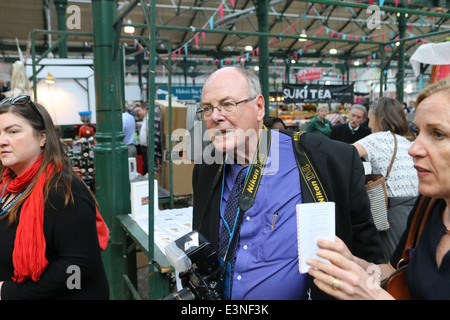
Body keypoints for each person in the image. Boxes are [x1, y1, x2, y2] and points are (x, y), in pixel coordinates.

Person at [192, 66, 382, 300]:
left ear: (259, 107)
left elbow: (367, 249)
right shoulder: (206, 169)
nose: (215, 116)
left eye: (227, 104)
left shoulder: (322, 159)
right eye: (207, 109)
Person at [307, 79, 450, 300]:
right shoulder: (427, 208)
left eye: (438, 134)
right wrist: (352, 263)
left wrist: (374, 296)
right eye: (417, 131)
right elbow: (393, 271)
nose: (413, 148)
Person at [0, 95, 109, 299]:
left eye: (13, 132)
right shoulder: (7, 184)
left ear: (42, 137)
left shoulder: (64, 191)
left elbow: (78, 269)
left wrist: (10, 292)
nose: (2, 141)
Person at [353, 97, 419, 261]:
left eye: (370, 119)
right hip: (417, 207)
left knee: (392, 261)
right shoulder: (407, 142)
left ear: (380, 118)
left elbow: (346, 153)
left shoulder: (378, 139)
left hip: (393, 212)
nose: (368, 125)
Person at [135, 104, 149, 175]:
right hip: (144, 148)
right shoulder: (145, 119)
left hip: (147, 148)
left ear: (144, 109)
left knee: (146, 167)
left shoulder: (148, 119)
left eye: (139, 110)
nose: (139, 112)